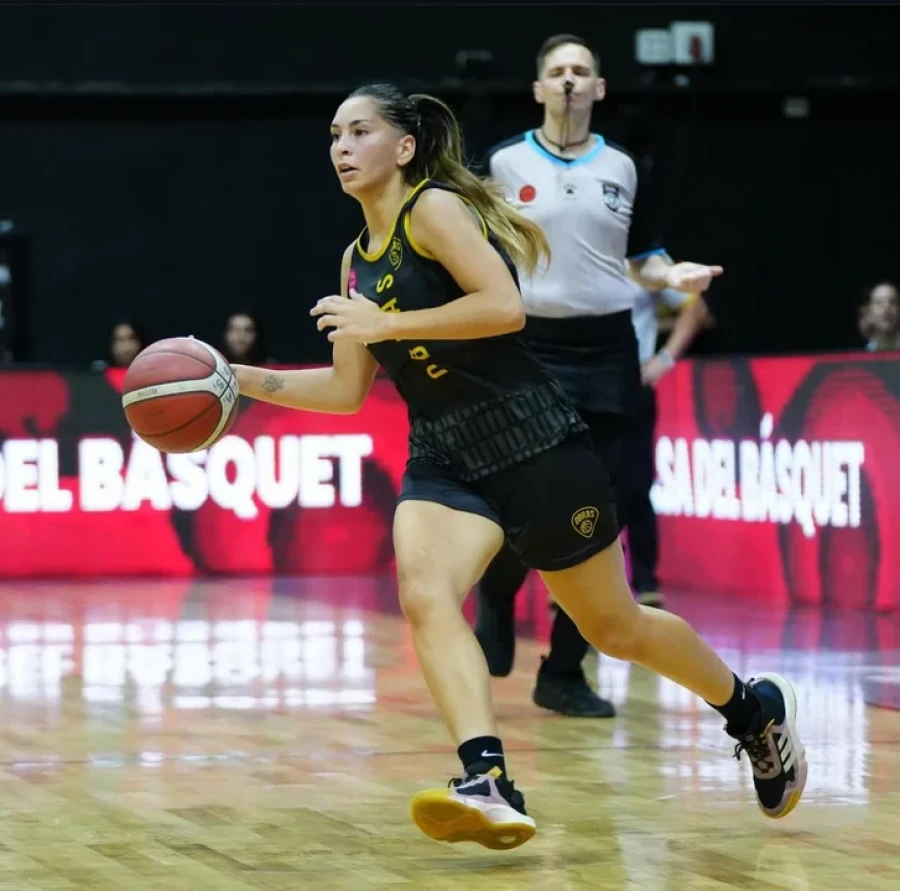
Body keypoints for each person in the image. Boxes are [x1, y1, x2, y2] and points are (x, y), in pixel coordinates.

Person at [231, 82, 807, 851]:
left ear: (403, 147)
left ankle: (752, 708)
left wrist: (388, 322)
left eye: (358, 131)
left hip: (532, 442)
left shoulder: (433, 209)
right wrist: (237, 385)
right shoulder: (354, 260)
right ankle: (488, 777)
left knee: (616, 627)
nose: (340, 146)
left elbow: (504, 306)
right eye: (333, 134)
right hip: (444, 455)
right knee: (425, 592)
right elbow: (345, 389)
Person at [473, 33, 713, 716]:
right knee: (526, 498)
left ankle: (564, 671)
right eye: (557, 71)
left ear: (599, 89)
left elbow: (643, 260)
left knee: (597, 515)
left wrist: (676, 276)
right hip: (532, 344)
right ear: (539, 89)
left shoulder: (626, 166)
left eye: (582, 70)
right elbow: (477, 252)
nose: (570, 80)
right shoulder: (504, 161)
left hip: (608, 349)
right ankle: (496, 593)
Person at [625, 260, 713, 609]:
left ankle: (645, 581)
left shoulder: (645, 259)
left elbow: (696, 309)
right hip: (577, 378)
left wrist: (663, 359)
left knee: (636, 481)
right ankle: (570, 578)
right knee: (577, 479)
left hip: (632, 383)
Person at [858, 281, 900, 351]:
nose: (886, 308)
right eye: (879, 303)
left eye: (892, 302)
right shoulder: (859, 355)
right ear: (868, 312)